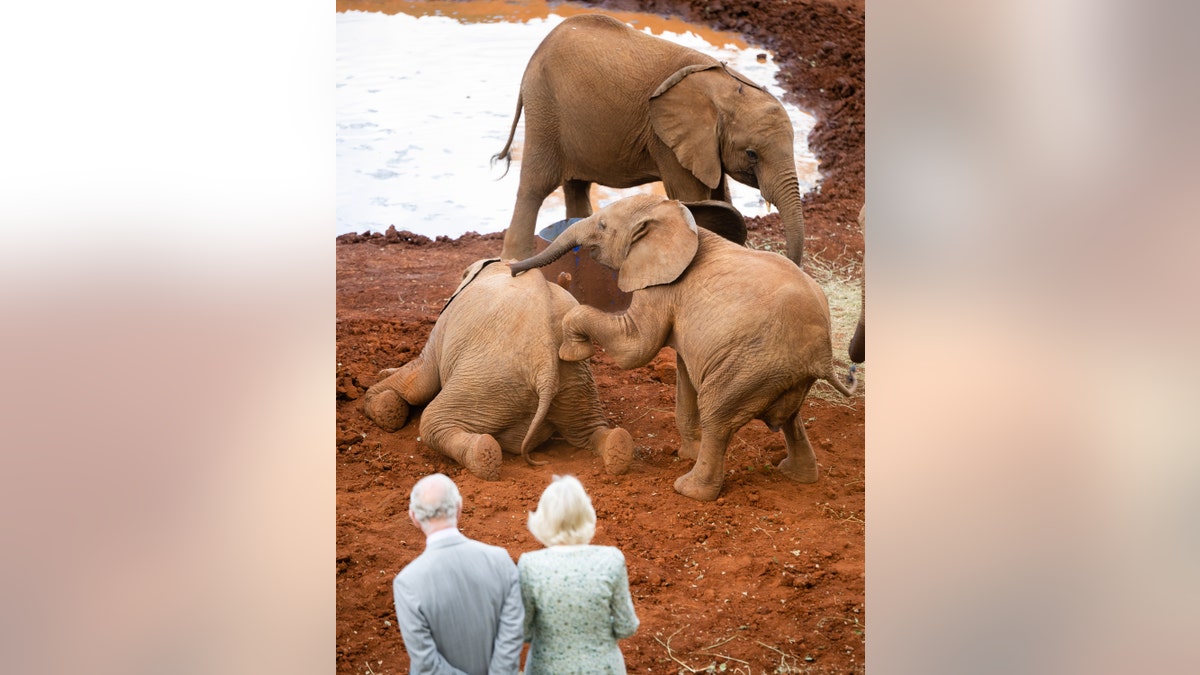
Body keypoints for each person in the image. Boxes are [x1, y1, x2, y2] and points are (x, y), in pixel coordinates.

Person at [393, 473, 524, 674]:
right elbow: (512, 634)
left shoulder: (407, 583)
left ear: (414, 518)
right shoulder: (500, 560)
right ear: (459, 508)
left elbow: (426, 663)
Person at [518, 475, 639, 674]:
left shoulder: (529, 565)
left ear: (543, 519)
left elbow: (523, 631)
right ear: (587, 514)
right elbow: (626, 626)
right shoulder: (611, 560)